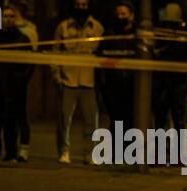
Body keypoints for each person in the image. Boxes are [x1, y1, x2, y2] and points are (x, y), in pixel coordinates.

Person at [52, 0, 104, 165]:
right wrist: (57, 77)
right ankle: (64, 151)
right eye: (78, 4)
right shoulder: (63, 27)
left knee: (91, 121)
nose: (81, 8)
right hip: (68, 80)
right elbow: (55, 53)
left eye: (84, 4)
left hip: (89, 81)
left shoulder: (97, 27)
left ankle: (89, 153)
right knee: (64, 120)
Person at [0, 6, 33, 162]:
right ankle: (2, 151)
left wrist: (22, 80)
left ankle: (18, 151)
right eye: (5, 16)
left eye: (11, 16)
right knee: (1, 118)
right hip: (0, 83)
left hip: (17, 85)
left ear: (16, 18)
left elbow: (30, 63)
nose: (8, 19)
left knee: (18, 117)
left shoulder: (22, 38)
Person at [100, 0, 136, 142]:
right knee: (116, 120)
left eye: (124, 14)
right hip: (114, 86)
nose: (121, 17)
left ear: (131, 15)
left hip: (132, 86)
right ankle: (117, 153)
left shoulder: (137, 34)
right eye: (118, 14)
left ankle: (131, 152)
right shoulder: (109, 33)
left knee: (131, 120)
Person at [154, 2, 187, 131]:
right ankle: (177, 148)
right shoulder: (184, 33)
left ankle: (165, 147)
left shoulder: (160, 32)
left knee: (165, 116)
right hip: (174, 80)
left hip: (170, 80)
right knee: (175, 116)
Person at [12, 0, 39, 162]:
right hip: (4, 77)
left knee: (20, 113)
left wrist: (25, 76)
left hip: (20, 76)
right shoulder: (2, 28)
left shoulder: (29, 30)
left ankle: (23, 148)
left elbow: (32, 55)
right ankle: (8, 149)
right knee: (5, 115)